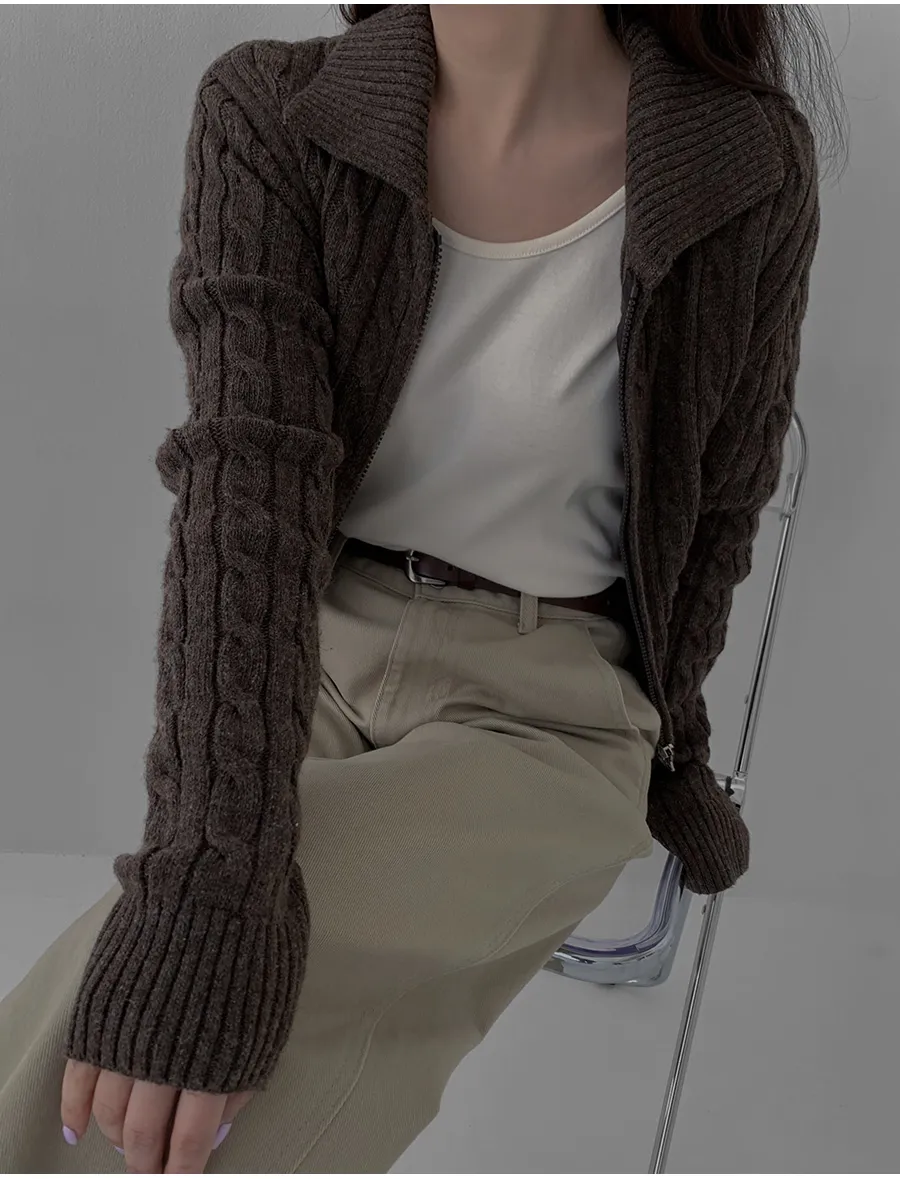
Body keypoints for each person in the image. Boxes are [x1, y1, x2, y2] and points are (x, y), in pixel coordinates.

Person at [0, 4, 843, 1173]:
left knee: (212, 1021)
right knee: (128, 987)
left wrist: (679, 752)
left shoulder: (740, 161)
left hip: (550, 710)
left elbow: (719, 506)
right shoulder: (279, 112)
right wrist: (200, 890)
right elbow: (246, 495)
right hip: (307, 650)